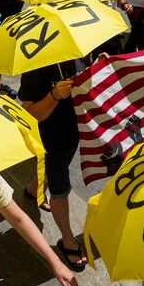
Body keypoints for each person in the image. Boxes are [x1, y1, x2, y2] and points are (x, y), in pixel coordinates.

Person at [20, 58, 88, 272]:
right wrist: (54, 95)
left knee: (57, 168)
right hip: (50, 139)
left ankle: (33, 189)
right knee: (61, 189)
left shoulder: (79, 51)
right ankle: (67, 240)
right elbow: (29, 114)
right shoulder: (36, 64)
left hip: (72, 131)